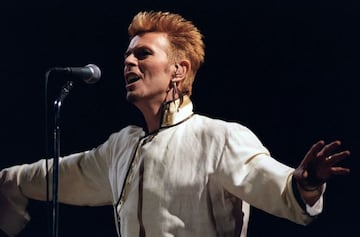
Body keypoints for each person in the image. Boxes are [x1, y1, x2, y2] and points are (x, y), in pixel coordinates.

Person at [0, 10, 351, 237]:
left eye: (142, 54)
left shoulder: (217, 139)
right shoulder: (120, 148)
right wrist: (9, 179)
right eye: (126, 56)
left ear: (178, 71)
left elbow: (274, 185)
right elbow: (59, 175)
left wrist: (305, 183)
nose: (128, 63)